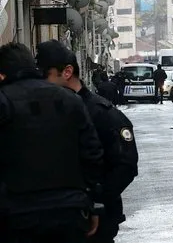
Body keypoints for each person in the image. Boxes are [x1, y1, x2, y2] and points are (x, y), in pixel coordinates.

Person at [36, 40, 139, 243]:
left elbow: (125, 164)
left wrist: (95, 201)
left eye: (44, 76)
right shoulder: (43, 112)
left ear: (66, 72)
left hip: (95, 222)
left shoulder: (100, 113)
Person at [0, 42, 104, 243]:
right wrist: (92, 203)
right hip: (69, 211)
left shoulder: (4, 100)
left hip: (17, 214)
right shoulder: (70, 99)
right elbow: (92, 154)